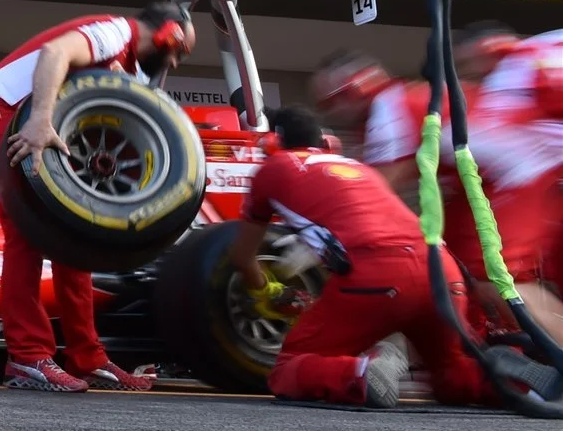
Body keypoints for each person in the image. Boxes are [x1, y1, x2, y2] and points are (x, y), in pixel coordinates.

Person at [231, 105, 557, 408]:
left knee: (288, 369)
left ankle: (361, 371)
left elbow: (243, 256)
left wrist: (266, 290)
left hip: (378, 275)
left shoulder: (274, 168)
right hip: (441, 270)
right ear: (326, 143)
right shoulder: (360, 170)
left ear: (274, 142)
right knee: (449, 378)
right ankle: (505, 378)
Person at [0, 1, 194, 391]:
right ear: (166, 34)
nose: (174, 63)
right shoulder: (115, 32)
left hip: (55, 124)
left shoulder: (130, 72)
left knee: (76, 238)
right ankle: (26, 358)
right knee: (26, 232)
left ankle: (87, 357)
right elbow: (55, 52)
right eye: (179, 50)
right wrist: (40, 120)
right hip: (7, 112)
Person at [465, 26, 563, 342]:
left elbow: (489, 142)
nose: (468, 79)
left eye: (467, 67)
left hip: (536, 176)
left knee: (501, 279)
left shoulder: (524, 59)